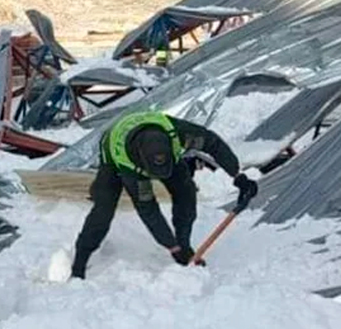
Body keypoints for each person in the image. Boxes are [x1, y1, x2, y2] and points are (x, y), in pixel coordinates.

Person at [70, 110, 258, 279]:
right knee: (104, 208)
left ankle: (185, 244)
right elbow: (148, 209)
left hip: (163, 151)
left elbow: (213, 144)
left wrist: (238, 175)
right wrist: (170, 246)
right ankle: (79, 265)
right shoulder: (127, 164)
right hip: (113, 153)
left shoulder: (178, 133)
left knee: (186, 191)